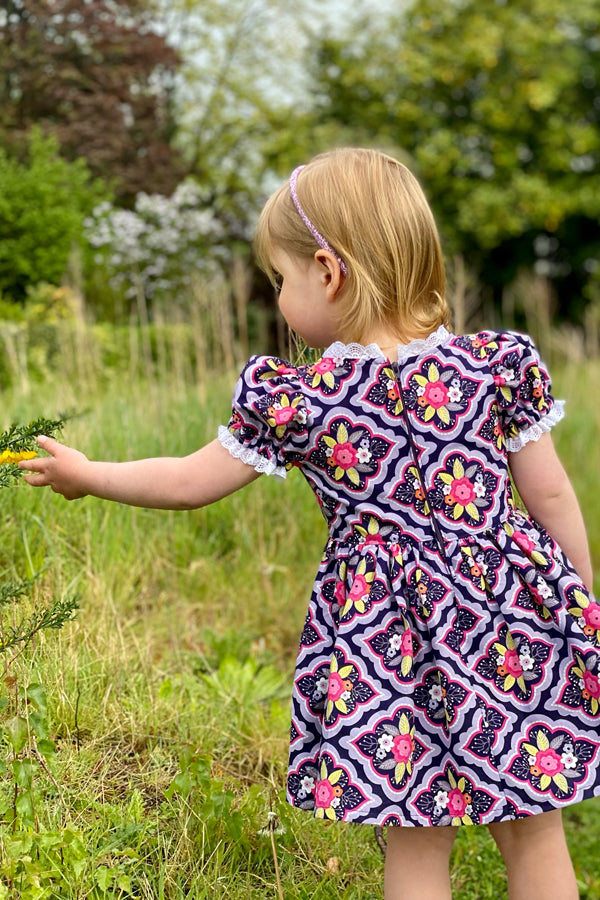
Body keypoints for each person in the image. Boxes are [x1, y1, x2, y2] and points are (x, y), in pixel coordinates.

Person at [20, 148, 595, 900]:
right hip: (511, 622)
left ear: (328, 271)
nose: (280, 296)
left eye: (281, 278)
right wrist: (579, 597)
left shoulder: (300, 399)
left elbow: (192, 484)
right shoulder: (495, 366)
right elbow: (550, 498)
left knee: (416, 833)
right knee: (534, 825)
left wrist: (89, 476)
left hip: (384, 637)